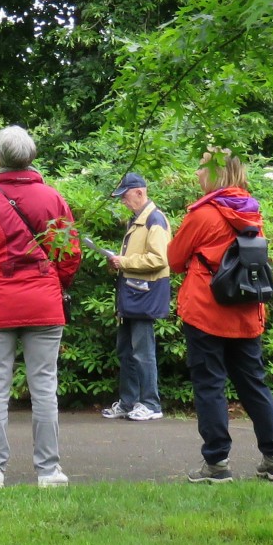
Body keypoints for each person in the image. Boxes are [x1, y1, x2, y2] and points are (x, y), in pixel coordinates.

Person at [0, 125, 81, 488]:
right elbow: (69, 254)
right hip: (43, 303)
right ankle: (49, 470)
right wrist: (55, 286)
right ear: (32, 157)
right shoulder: (52, 199)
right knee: (44, 387)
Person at [169, 150, 273, 482]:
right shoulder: (253, 212)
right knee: (253, 383)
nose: (196, 174)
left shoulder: (203, 215)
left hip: (205, 311)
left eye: (200, 167)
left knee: (210, 386)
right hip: (246, 310)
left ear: (214, 173)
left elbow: (175, 259)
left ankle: (217, 463)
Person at [102, 171, 171, 422]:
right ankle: (129, 402)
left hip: (145, 295)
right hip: (132, 294)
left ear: (140, 192)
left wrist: (124, 262)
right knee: (125, 351)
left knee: (143, 351)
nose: (123, 201)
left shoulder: (154, 220)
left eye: (125, 196)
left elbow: (159, 259)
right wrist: (118, 263)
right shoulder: (137, 220)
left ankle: (151, 404)